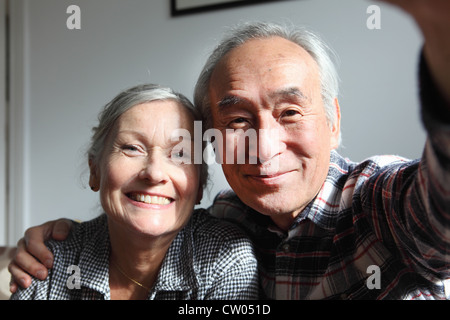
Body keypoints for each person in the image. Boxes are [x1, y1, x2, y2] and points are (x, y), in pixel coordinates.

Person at [9, 0, 450, 299]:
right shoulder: (229, 216)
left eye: (290, 112)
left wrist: (438, 27)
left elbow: (439, 207)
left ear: (334, 121)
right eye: (238, 121)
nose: (264, 146)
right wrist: (58, 236)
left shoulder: (377, 200)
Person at [9, 84, 259, 300]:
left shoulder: (223, 257)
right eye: (131, 148)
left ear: (200, 185)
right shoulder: (50, 260)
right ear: (95, 170)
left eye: (180, 154)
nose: (154, 173)